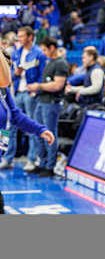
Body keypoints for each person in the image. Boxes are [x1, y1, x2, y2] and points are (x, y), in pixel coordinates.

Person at [0, 50, 54, 171]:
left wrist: (39, 130)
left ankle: (6, 159)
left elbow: (14, 114)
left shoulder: (3, 90)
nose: (9, 73)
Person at [5, 26, 46, 172]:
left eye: (22, 36)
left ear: (30, 37)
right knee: (11, 126)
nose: (19, 39)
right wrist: (15, 73)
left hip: (30, 94)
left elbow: (43, 74)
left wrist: (36, 90)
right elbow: (8, 75)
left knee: (31, 126)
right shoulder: (16, 53)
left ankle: (31, 159)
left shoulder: (39, 54)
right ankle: (7, 158)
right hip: (17, 92)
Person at [27, 37, 68, 176]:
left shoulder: (61, 63)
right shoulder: (49, 62)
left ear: (52, 48)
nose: (43, 52)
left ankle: (50, 166)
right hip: (42, 100)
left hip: (52, 103)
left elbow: (57, 85)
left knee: (50, 133)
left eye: (45, 49)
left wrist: (38, 86)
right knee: (38, 132)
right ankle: (42, 162)